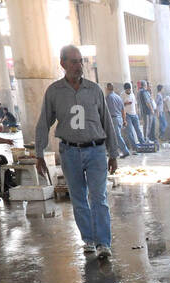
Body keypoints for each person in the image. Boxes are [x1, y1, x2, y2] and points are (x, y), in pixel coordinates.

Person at [34, 44, 117, 259]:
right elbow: (44, 123)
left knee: (99, 197)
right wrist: (39, 153)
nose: (79, 65)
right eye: (74, 61)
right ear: (63, 64)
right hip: (70, 152)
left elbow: (106, 121)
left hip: (96, 150)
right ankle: (88, 240)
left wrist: (113, 153)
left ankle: (104, 243)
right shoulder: (54, 92)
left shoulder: (94, 89)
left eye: (81, 61)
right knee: (79, 198)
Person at [105, 83, 132, 157]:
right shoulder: (118, 97)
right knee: (114, 137)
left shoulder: (108, 97)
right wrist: (124, 120)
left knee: (117, 136)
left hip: (113, 119)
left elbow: (107, 110)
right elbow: (123, 110)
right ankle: (114, 152)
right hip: (119, 118)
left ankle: (125, 151)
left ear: (107, 88)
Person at [121, 81, 144, 150]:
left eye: (129, 89)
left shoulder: (132, 94)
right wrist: (126, 103)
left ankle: (142, 143)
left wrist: (137, 113)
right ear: (125, 89)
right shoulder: (122, 95)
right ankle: (134, 146)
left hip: (134, 114)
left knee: (138, 130)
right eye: (127, 90)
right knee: (130, 132)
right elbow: (121, 106)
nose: (128, 91)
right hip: (127, 115)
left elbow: (135, 104)